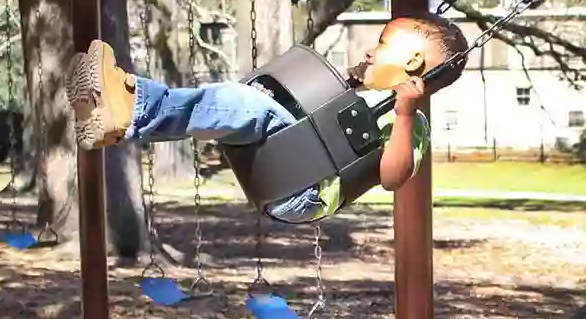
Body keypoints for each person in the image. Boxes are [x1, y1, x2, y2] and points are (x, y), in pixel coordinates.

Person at [67, 14, 467, 222]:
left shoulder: (410, 124)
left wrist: (403, 112)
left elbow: (393, 177)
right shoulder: (357, 92)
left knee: (248, 105)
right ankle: (114, 112)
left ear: (413, 62)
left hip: (302, 189)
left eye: (381, 44)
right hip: (276, 165)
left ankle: (132, 106)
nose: (369, 49)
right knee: (240, 100)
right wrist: (348, 82)